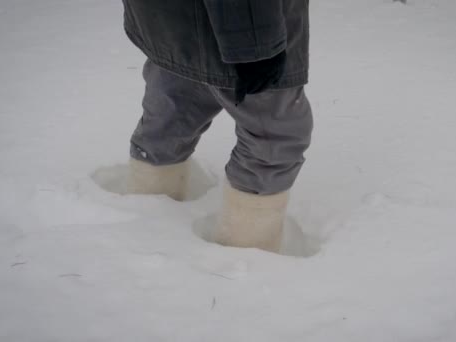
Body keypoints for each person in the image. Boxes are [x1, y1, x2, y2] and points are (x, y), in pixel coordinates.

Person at [121, 0, 312, 252]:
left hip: (167, 14)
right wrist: (255, 45)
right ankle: (245, 253)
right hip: (243, 26)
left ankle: (145, 211)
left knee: (177, 99)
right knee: (274, 137)